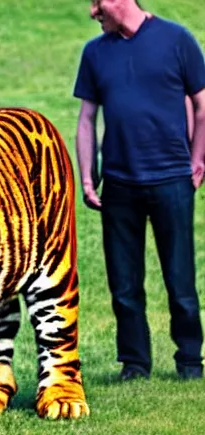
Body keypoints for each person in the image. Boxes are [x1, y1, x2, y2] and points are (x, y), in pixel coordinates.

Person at [74, 0, 205, 380]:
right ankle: (134, 363)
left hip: (171, 180)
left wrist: (198, 159)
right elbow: (86, 119)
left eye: (97, 3)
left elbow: (201, 105)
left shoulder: (176, 40)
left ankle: (189, 360)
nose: (93, 12)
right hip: (118, 183)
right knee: (124, 283)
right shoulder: (95, 52)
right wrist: (87, 176)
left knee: (180, 279)